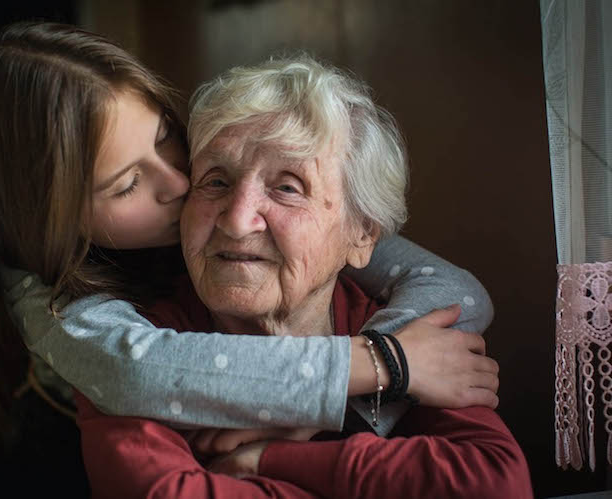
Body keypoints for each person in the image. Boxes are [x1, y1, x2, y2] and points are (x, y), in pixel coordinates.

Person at [0, 21, 497, 456]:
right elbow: (138, 372)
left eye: (165, 138)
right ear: (48, 223)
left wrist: (350, 409)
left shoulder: (265, 218)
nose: (181, 182)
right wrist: (385, 364)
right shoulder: (54, 303)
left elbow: (457, 293)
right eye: (128, 183)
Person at [74, 54, 532, 498]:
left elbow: (495, 484)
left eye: (287, 187)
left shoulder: (405, 333)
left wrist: (268, 458)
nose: (237, 220)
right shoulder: (138, 348)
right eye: (215, 180)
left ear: (361, 234)